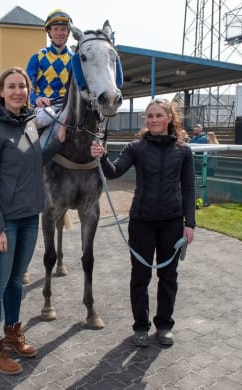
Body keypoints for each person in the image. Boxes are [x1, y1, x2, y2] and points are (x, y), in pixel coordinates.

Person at [0, 67, 65, 375]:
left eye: (22, 87)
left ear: (28, 91)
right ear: (1, 91)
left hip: (29, 217)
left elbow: (33, 158)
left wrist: (59, 141)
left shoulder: (28, 123)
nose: (17, 91)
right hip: (6, 222)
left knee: (15, 281)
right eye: (11, 86)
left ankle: (13, 335)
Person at [90, 98, 196, 347]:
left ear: (169, 118)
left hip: (171, 222)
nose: (154, 120)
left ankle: (164, 325)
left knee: (168, 276)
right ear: (146, 120)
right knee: (140, 276)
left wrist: (189, 223)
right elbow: (113, 172)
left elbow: (189, 188)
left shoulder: (183, 151)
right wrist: (102, 156)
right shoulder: (135, 148)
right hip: (141, 222)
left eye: (159, 115)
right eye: (150, 116)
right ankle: (140, 326)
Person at [26, 9, 73, 129]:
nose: (59, 33)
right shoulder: (38, 57)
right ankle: (25, 143)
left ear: (68, 32)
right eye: (55, 29)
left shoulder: (75, 59)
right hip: (45, 107)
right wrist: (36, 99)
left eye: (63, 29)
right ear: (49, 32)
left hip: (68, 104)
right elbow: (27, 87)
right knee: (45, 116)